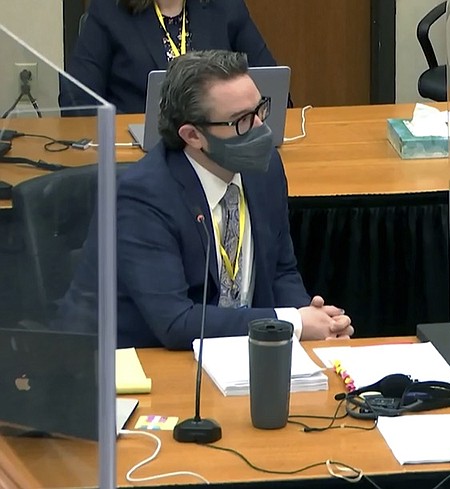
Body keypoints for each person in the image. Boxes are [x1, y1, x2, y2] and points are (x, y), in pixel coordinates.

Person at [59, 50, 352, 349]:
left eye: (260, 109)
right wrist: (293, 324)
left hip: (235, 352)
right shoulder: (142, 198)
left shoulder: (264, 170)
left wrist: (315, 320)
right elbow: (175, 323)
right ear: (192, 135)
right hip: (141, 362)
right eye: (241, 120)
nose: (260, 128)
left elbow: (280, 270)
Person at [60, 0, 280, 113]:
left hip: (216, 148)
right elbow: (76, 98)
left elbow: (272, 86)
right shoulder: (109, 10)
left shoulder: (225, 6)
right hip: (140, 158)